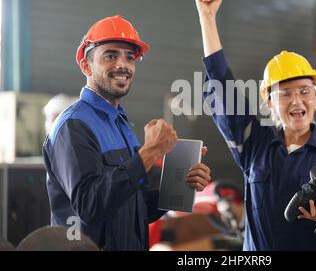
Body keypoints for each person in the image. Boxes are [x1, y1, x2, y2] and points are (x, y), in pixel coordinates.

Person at [195, 0, 316, 250]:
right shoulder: (255, 146)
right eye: (285, 94)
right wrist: (207, 18)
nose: (296, 101)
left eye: (305, 92)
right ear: (269, 102)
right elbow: (223, 89)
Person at [43, 15, 211, 251]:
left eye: (130, 58)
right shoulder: (74, 126)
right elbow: (90, 207)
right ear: (86, 65)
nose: (123, 65)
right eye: (111, 55)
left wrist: (180, 185)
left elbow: (137, 207)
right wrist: (149, 152)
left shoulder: (120, 124)